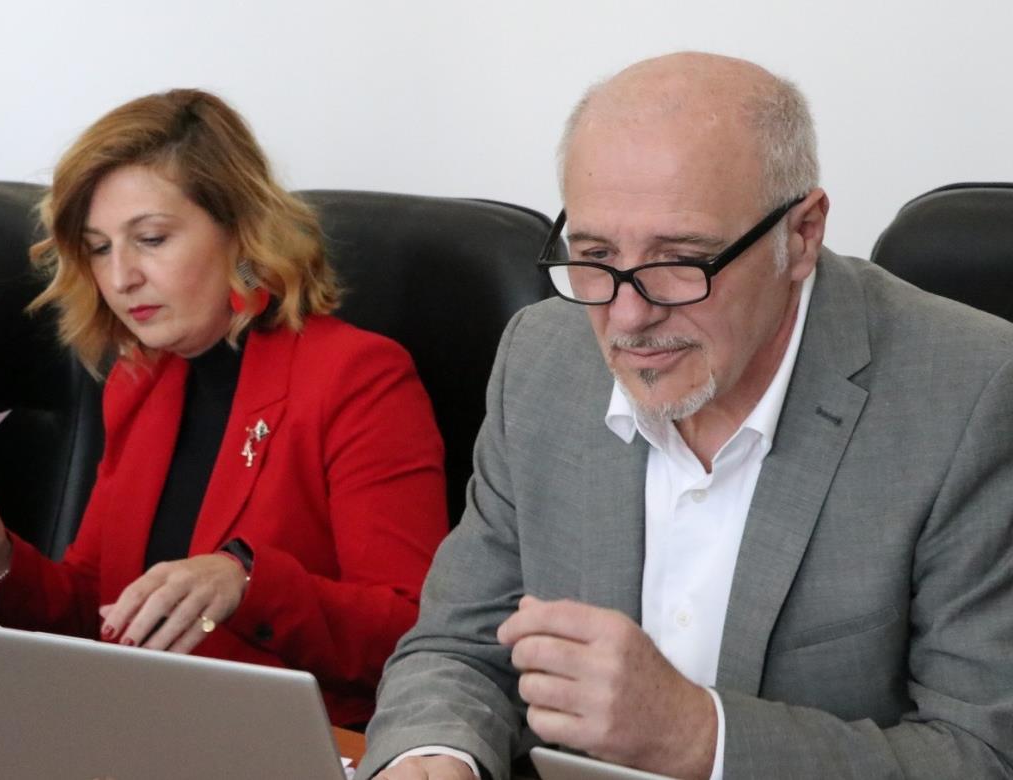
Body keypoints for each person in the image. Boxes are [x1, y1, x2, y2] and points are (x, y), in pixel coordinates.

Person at [363, 52, 1013, 779]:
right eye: (595, 254)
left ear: (801, 236)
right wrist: (433, 753)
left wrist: (699, 736)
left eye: (679, 261)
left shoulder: (973, 395)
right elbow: (460, 646)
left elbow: (984, 754)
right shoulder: (542, 360)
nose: (627, 317)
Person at [0, 88, 448, 727]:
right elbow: (99, 608)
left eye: (150, 239)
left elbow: (414, 634)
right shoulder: (140, 378)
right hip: (142, 731)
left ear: (240, 230)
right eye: (99, 248)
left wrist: (246, 582)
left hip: (289, 740)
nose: (121, 277)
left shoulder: (356, 377)